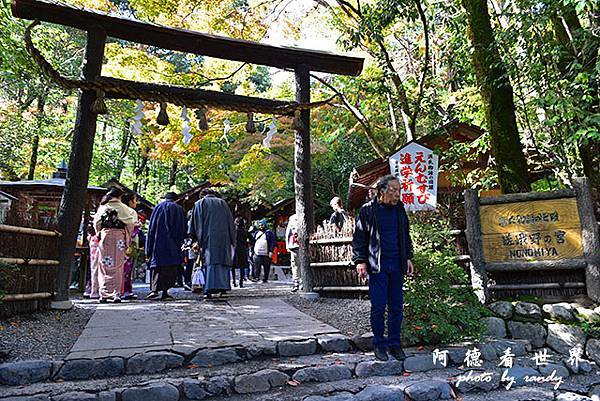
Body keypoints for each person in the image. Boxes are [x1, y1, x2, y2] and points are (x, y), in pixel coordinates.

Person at [352, 175, 415, 362]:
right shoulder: (367, 210)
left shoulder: (399, 209)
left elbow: (405, 235)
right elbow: (359, 238)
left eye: (399, 190)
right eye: (393, 190)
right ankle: (379, 344)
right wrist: (360, 261)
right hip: (376, 265)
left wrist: (409, 257)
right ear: (381, 191)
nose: (397, 194)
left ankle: (395, 344)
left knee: (397, 306)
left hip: (397, 263)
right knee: (378, 306)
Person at [188, 188, 235, 299]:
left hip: (207, 239)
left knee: (208, 262)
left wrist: (194, 238)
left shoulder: (199, 204)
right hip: (223, 239)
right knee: (222, 261)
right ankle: (223, 288)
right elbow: (231, 223)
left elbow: (194, 224)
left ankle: (208, 289)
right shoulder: (223, 204)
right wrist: (232, 240)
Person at [93, 188, 137, 303]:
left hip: (105, 236)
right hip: (119, 238)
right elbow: (130, 224)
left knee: (103, 265)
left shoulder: (103, 207)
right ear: (119, 197)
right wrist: (127, 238)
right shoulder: (123, 208)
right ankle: (116, 294)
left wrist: (99, 234)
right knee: (118, 266)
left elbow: (97, 223)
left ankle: (103, 294)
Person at [145, 192, 187, 301]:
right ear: (176, 199)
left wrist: (148, 247)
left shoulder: (158, 208)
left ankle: (154, 290)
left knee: (158, 267)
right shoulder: (179, 209)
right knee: (170, 268)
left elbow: (151, 228)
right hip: (173, 244)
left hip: (158, 243)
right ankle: (165, 292)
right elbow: (182, 228)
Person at [121, 191, 141, 300]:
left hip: (117, 242)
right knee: (127, 269)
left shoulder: (119, 210)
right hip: (129, 243)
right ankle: (126, 291)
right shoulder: (131, 212)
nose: (136, 203)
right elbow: (132, 228)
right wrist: (138, 226)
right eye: (134, 200)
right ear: (130, 201)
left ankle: (118, 290)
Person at [251, 219, 275, 283]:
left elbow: (272, 242)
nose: (261, 226)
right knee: (256, 266)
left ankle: (265, 278)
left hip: (266, 253)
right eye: (259, 225)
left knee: (266, 267)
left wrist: (271, 251)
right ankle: (256, 277)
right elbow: (253, 242)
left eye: (262, 225)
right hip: (257, 253)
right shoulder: (256, 232)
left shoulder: (269, 233)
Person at [232, 217, 251, 288]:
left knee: (233, 266)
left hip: (235, 249)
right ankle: (241, 282)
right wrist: (247, 243)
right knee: (242, 267)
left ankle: (233, 281)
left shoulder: (234, 231)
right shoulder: (245, 231)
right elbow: (252, 239)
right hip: (243, 249)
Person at [285, 213, 301, 292]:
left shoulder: (291, 220)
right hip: (297, 245)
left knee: (296, 265)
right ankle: (299, 282)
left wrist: (287, 246)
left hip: (294, 245)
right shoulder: (301, 218)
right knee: (298, 265)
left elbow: (288, 233)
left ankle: (296, 283)